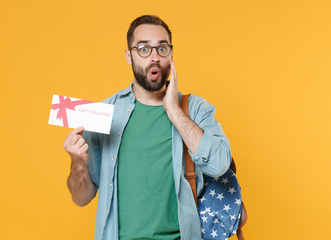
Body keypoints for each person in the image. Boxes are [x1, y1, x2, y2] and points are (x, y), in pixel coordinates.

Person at [63, 15, 232, 240]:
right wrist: (78, 163)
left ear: (171, 55)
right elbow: (81, 198)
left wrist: (174, 110)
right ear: (128, 55)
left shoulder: (195, 109)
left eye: (162, 49)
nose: (154, 57)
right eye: (143, 49)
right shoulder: (105, 113)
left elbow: (220, 164)